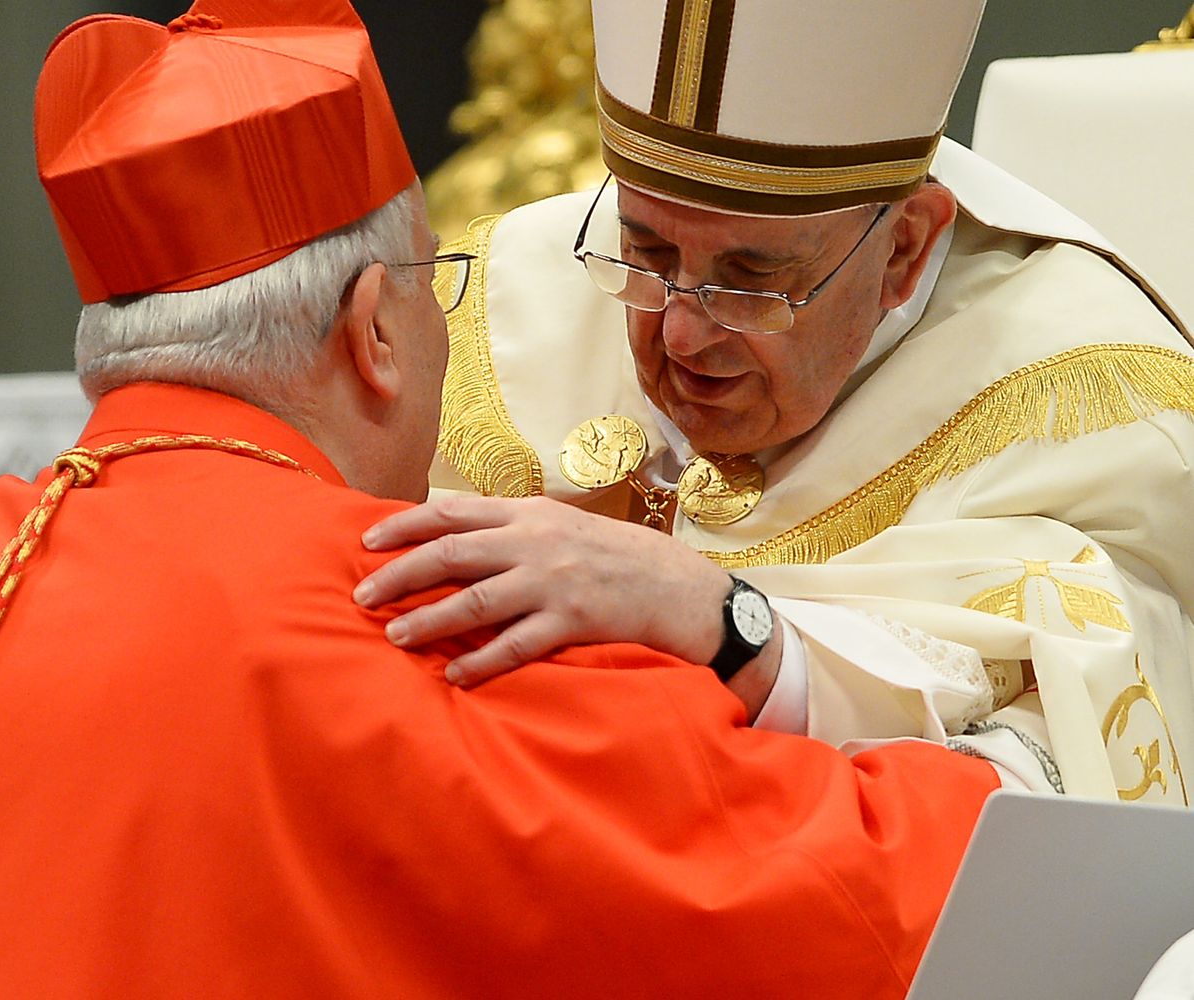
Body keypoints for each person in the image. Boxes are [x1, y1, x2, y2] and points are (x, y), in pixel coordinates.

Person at [0, 2, 1003, 997]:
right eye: (439, 286)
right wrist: (762, 636)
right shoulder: (443, 619)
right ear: (377, 328)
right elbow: (916, 901)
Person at [347, 0, 1194, 805]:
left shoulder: (1090, 401)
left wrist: (732, 630)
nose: (681, 335)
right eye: (644, 251)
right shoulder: (510, 285)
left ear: (903, 248)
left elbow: (1071, 767)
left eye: (751, 282)